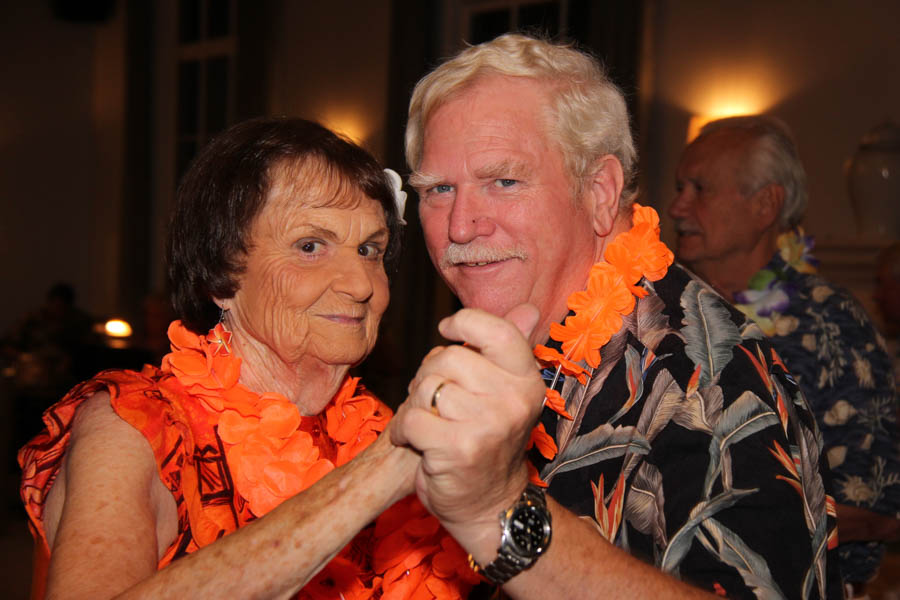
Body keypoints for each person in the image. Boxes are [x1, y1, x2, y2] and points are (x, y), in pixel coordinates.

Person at [390, 34, 843, 599]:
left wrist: (500, 515)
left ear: (601, 191)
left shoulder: (705, 379)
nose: (460, 226)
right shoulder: (508, 348)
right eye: (437, 189)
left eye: (503, 181)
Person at [19, 118, 479, 599]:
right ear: (221, 275)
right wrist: (379, 475)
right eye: (310, 246)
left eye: (369, 250)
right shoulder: (139, 429)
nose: (361, 283)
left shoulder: (383, 430)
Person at [669, 115, 900, 597]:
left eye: (699, 189)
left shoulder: (831, 323)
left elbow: (876, 509)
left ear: (765, 205)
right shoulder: (663, 315)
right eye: (679, 188)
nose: (676, 207)